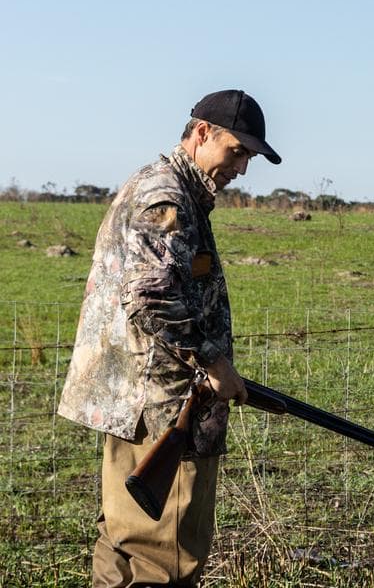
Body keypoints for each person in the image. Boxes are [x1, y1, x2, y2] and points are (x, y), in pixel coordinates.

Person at [58, 89, 282, 587]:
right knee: (165, 557)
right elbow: (151, 297)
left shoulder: (166, 187)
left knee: (123, 546)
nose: (242, 168)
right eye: (237, 151)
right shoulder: (168, 197)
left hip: (137, 402)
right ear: (202, 133)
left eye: (249, 157)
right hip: (162, 405)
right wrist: (214, 362)